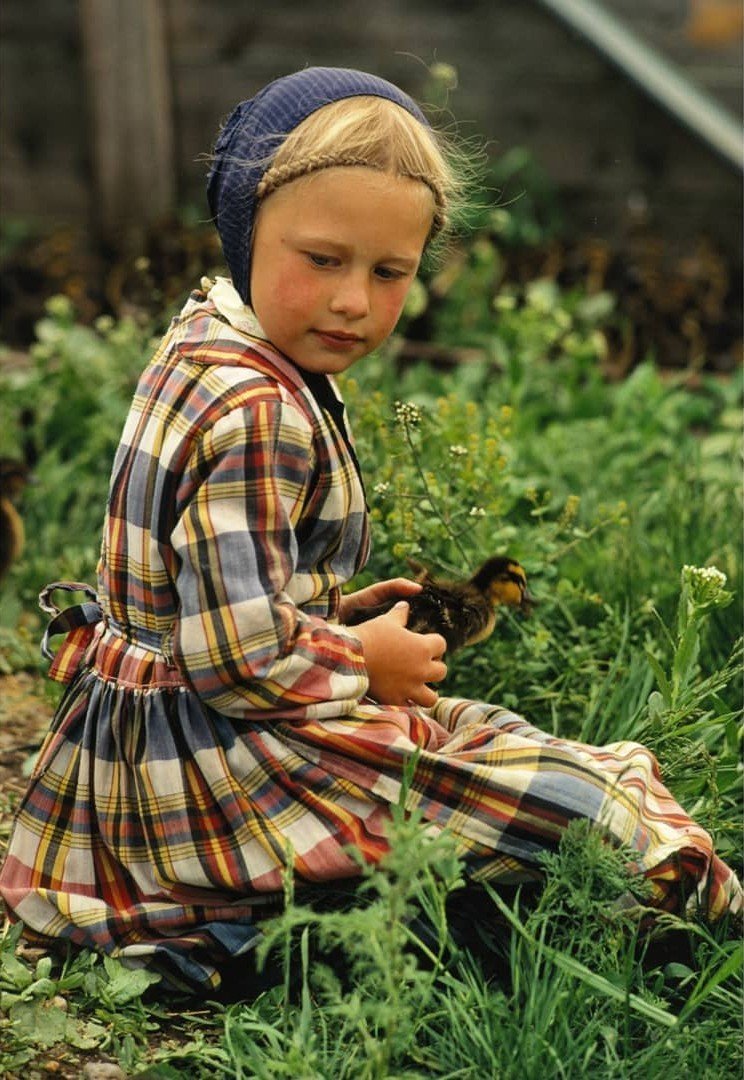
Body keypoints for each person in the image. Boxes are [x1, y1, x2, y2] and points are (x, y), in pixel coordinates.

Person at [0, 67, 740, 992]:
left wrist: (335, 613)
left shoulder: (209, 338)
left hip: (144, 734)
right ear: (246, 234)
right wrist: (361, 662)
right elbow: (230, 661)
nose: (354, 299)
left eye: (389, 272)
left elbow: (215, 586)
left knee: (467, 735)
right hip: (206, 760)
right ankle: (623, 904)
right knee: (569, 801)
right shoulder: (260, 412)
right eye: (323, 259)